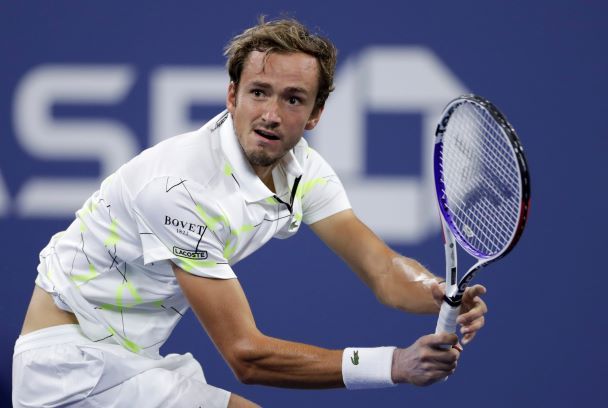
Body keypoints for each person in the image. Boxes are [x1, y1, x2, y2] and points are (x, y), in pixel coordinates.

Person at [12, 17, 487, 408]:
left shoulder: (304, 172)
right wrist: (394, 364)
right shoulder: (178, 188)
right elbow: (246, 356)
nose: (271, 114)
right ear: (231, 96)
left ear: (316, 114)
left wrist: (438, 293)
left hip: (130, 360)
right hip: (68, 366)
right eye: (259, 92)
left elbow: (381, 268)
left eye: (293, 99)